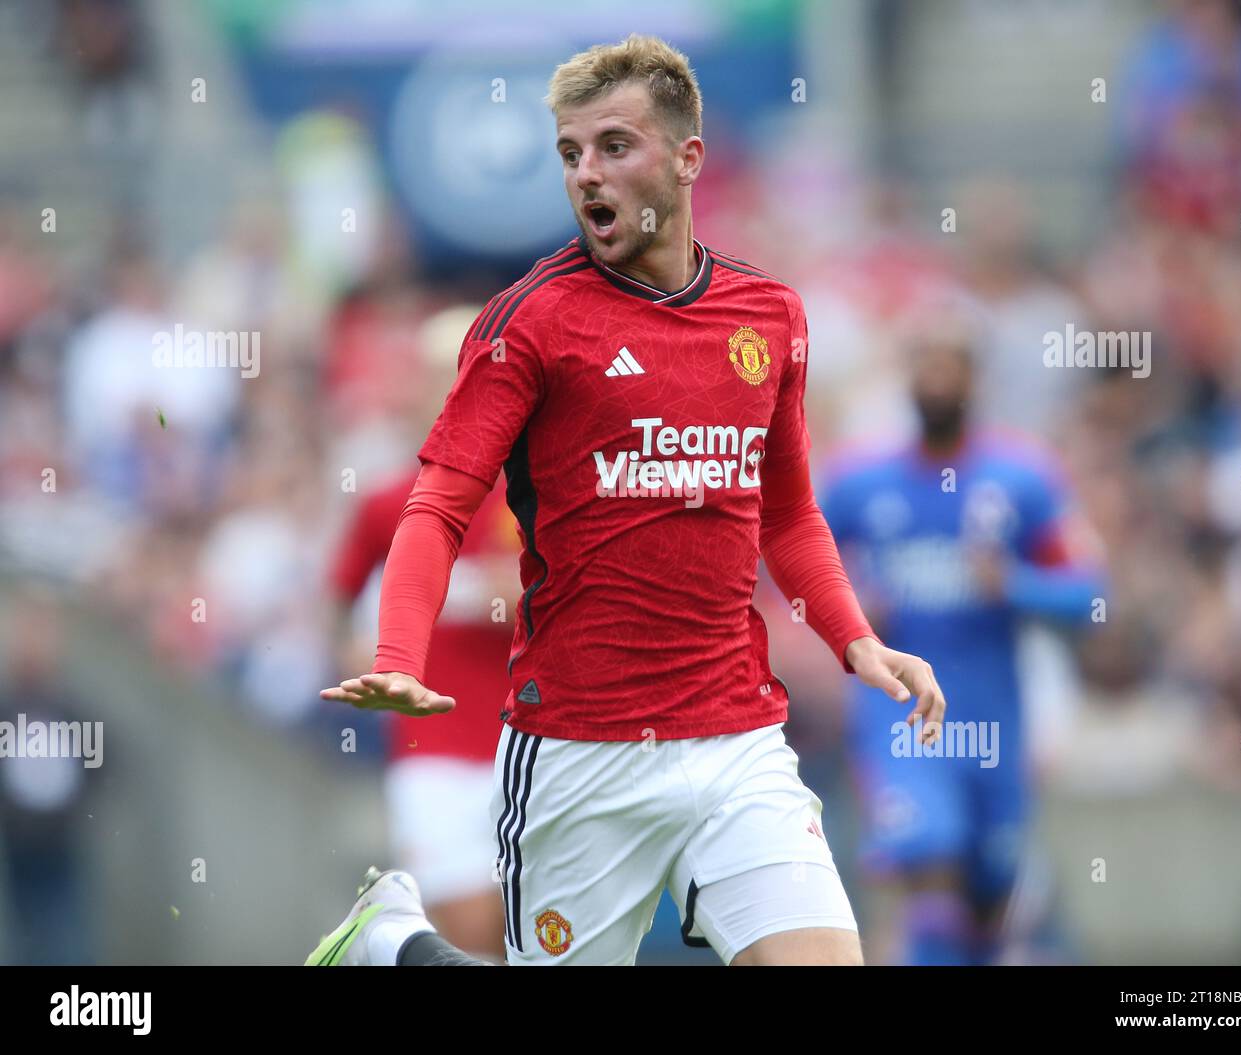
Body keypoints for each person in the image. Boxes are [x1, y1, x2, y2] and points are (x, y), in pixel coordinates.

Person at [311, 33, 944, 968]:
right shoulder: (530, 324)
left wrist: (857, 640)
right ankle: (396, 941)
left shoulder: (768, 316)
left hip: (737, 737)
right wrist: (399, 654)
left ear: (689, 158)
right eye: (570, 154)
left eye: (613, 146)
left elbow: (789, 515)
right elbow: (437, 506)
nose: (587, 174)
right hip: (581, 749)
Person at [820, 316, 1104, 965]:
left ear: (975, 381)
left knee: (990, 908)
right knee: (932, 881)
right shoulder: (861, 484)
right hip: (901, 722)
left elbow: (1091, 595)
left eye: (951, 367)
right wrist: (850, 608)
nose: (937, 381)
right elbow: (796, 568)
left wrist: (1015, 584)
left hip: (995, 724)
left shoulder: (1023, 479)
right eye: (926, 366)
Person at [325, 306, 518, 959]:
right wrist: (358, 658)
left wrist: (507, 592)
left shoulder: (529, 495)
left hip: (522, 741)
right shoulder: (386, 503)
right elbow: (340, 608)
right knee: (461, 923)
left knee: (527, 925)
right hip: (428, 746)